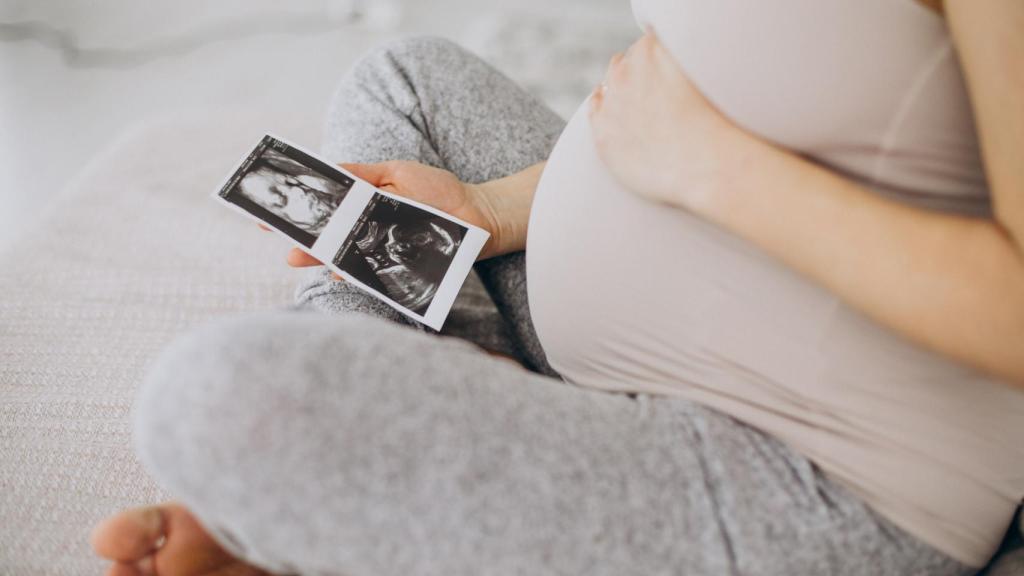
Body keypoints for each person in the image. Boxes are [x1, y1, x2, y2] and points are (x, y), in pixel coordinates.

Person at [91, 0, 1024, 574]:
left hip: (813, 466)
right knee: (407, 80)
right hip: (674, 316)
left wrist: (710, 167)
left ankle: (378, 502)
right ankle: (413, 491)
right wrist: (490, 210)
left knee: (217, 401)